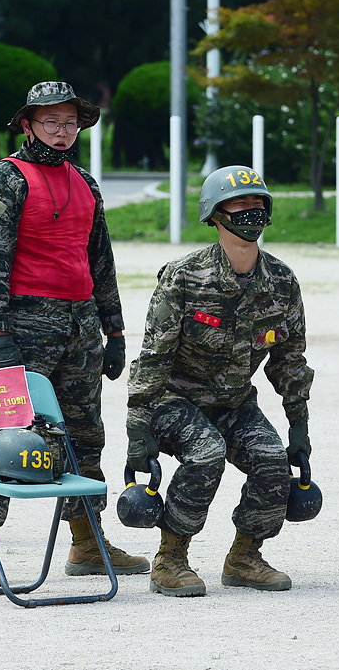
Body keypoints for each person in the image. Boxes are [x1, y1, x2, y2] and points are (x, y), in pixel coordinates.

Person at [0, 82, 146, 586]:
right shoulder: (3, 180)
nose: (62, 133)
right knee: (4, 436)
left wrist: (115, 328)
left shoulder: (85, 181)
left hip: (81, 326)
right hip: (21, 323)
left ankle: (86, 542)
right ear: (27, 124)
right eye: (51, 122)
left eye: (70, 123)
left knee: (85, 436)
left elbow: (100, 259)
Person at [126, 166, 313, 597]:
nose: (250, 211)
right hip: (175, 400)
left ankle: (245, 555)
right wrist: (137, 428)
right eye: (239, 203)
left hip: (234, 401)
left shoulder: (281, 281)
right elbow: (153, 357)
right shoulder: (184, 276)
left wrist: (299, 426)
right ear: (215, 214)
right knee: (206, 452)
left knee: (271, 460)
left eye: (257, 202)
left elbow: (290, 361)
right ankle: (170, 559)